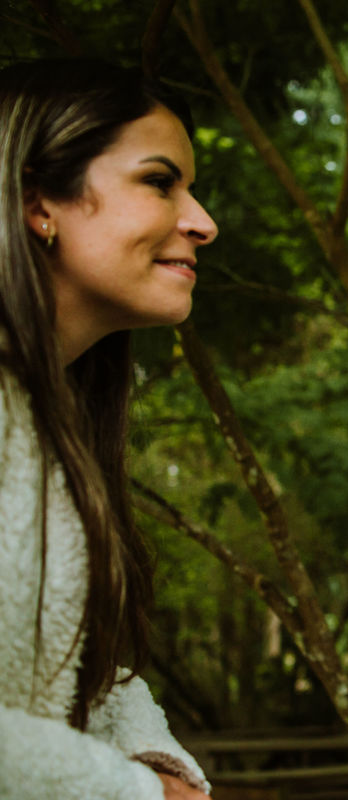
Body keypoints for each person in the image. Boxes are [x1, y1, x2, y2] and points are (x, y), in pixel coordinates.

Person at [0, 59, 219, 800]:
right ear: (38, 201)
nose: (203, 222)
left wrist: (154, 759)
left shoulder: (55, 417)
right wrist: (136, 793)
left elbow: (71, 673)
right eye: (160, 182)